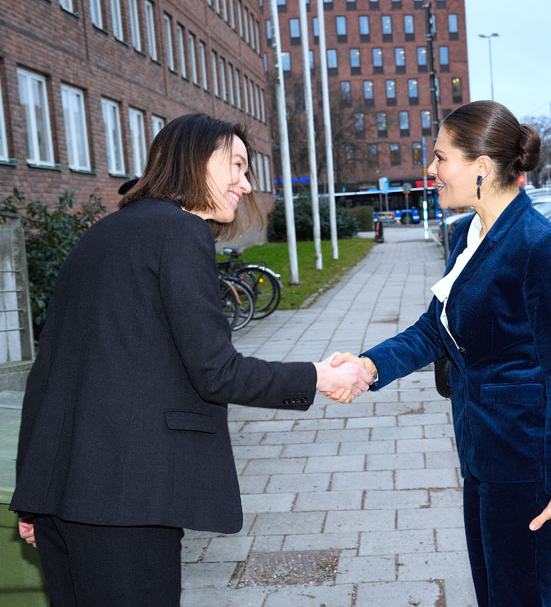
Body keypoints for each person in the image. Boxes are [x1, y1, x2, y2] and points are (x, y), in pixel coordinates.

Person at [10, 113, 373, 606]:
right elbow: (216, 371)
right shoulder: (179, 232)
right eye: (238, 166)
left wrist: (35, 494)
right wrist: (317, 377)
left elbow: (51, 373)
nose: (245, 184)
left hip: (66, 499)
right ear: (196, 158)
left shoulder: (103, 233)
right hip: (128, 503)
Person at [331, 100, 551, 606]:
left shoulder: (541, 248)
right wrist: (367, 366)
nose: (430, 170)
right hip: (481, 453)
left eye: (440, 157)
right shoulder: (467, 235)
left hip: (528, 466)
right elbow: (437, 329)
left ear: (481, 167)